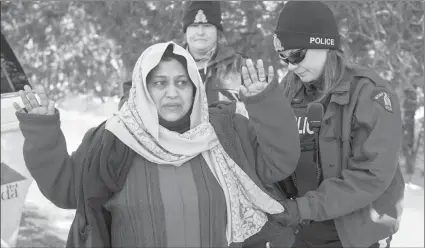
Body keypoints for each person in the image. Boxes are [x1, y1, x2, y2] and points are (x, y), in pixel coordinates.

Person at [13, 41, 300, 247]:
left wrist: (264, 103)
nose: (172, 93)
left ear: (195, 87)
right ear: (142, 88)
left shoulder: (224, 132)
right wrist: (43, 132)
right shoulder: (113, 139)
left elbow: (278, 164)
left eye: (182, 82)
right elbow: (67, 190)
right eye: (160, 83)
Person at [270, 2, 405, 248]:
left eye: (297, 54)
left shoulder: (369, 95)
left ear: (324, 44)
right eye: (284, 56)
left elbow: (370, 175)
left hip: (353, 237)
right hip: (299, 232)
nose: (290, 65)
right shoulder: (289, 91)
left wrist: (301, 208)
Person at [120, 1, 247, 109]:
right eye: (194, 26)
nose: (200, 32)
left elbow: (261, 111)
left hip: (227, 137)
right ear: (186, 31)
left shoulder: (241, 67)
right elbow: (128, 102)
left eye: (207, 26)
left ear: (217, 30)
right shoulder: (161, 63)